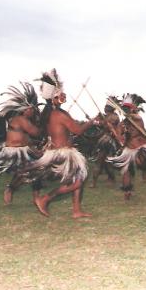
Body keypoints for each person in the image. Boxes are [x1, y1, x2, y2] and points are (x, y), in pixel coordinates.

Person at [24, 69, 100, 218]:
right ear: (53, 98)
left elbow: (67, 129)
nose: (64, 97)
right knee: (77, 182)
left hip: (58, 151)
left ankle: (77, 210)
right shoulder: (59, 114)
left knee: (78, 178)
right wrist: (92, 122)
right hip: (63, 153)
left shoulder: (51, 113)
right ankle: (45, 199)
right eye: (60, 96)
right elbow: (77, 130)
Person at [0, 82, 43, 205]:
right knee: (25, 173)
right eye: (33, 110)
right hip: (14, 152)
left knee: (36, 171)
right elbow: (36, 133)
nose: (34, 112)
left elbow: (28, 138)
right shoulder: (20, 119)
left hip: (24, 150)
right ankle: (11, 188)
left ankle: (35, 198)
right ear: (27, 109)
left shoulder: (23, 120)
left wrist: (34, 148)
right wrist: (43, 124)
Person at [107, 93, 146, 200]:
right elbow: (120, 139)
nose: (125, 111)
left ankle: (145, 169)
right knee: (125, 170)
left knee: (140, 162)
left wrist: (131, 115)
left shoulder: (137, 119)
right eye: (124, 109)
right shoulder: (122, 124)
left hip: (141, 146)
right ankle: (127, 190)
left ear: (132, 109)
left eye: (127, 109)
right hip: (129, 148)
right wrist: (114, 130)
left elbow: (136, 117)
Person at [89, 98, 121, 188]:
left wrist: (99, 122)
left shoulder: (114, 116)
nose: (104, 108)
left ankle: (109, 180)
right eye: (105, 106)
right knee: (103, 162)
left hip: (109, 141)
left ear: (110, 108)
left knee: (105, 162)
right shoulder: (106, 116)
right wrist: (95, 122)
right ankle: (98, 181)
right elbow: (102, 126)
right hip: (104, 140)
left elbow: (108, 125)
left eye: (106, 107)